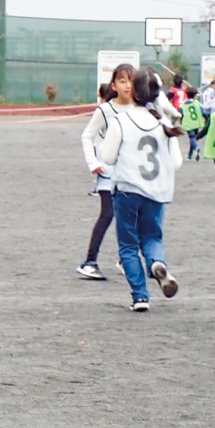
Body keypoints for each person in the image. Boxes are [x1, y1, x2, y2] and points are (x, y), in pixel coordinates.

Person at [97, 68, 182, 312]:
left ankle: (140, 296)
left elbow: (107, 156)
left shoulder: (121, 121)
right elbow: (176, 162)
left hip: (127, 191)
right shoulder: (163, 122)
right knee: (152, 238)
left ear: (133, 91)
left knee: (127, 245)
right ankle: (157, 263)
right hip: (156, 194)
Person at [76, 76, 129, 281]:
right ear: (114, 86)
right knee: (107, 214)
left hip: (128, 173)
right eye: (123, 81)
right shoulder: (105, 110)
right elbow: (87, 135)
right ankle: (89, 262)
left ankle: (126, 260)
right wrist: (93, 162)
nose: (128, 85)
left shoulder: (138, 109)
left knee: (129, 216)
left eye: (131, 81)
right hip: (107, 171)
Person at [180, 87, 205, 161]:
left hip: (188, 123)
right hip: (196, 123)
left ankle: (196, 148)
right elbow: (203, 113)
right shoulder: (197, 103)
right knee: (193, 138)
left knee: (191, 138)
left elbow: (181, 114)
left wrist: (181, 121)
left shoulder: (183, 104)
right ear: (194, 95)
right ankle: (190, 155)